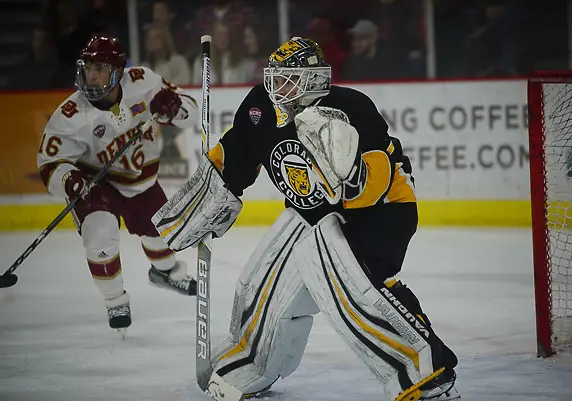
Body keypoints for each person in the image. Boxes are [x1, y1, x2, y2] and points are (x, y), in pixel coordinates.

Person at [153, 37, 460, 400]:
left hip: (380, 213)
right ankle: (252, 358)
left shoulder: (350, 108)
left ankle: (423, 369)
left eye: (289, 78)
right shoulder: (259, 108)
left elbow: (379, 177)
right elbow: (235, 155)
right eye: (275, 77)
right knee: (266, 276)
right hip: (312, 213)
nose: (277, 87)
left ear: (314, 79)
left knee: (346, 284)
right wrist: (208, 194)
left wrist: (349, 173)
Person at [36, 36, 199, 336]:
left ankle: (164, 273)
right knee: (100, 233)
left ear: (118, 71)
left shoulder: (142, 81)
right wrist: (68, 180)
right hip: (94, 185)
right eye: (88, 68)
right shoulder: (69, 116)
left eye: (100, 68)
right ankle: (115, 300)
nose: (92, 75)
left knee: (160, 233)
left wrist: (176, 108)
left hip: (141, 180)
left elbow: (192, 113)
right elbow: (49, 164)